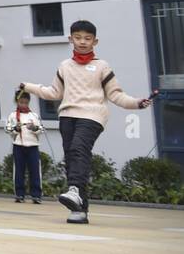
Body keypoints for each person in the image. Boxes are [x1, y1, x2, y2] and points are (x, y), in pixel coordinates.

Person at [20, 20, 150, 224]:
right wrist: (28, 86)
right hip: (67, 116)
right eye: (78, 38)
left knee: (79, 149)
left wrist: (137, 103)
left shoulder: (102, 66)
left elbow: (116, 95)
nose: (82, 42)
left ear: (95, 41)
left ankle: (73, 191)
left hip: (92, 115)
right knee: (72, 158)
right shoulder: (64, 66)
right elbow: (54, 93)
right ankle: (80, 210)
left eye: (87, 39)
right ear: (70, 39)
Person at [5, 89, 44, 204]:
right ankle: (19, 194)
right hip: (18, 146)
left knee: (35, 171)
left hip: (33, 146)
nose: (23, 105)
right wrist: (15, 129)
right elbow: (7, 129)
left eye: (26, 102)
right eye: (21, 102)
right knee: (19, 171)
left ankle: (36, 195)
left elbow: (41, 129)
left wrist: (34, 128)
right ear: (17, 102)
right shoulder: (13, 116)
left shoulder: (34, 115)